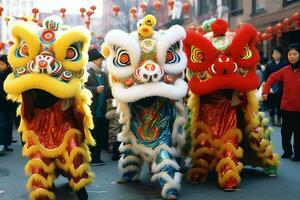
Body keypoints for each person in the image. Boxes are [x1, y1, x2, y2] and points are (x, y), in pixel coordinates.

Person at [262, 43, 300, 161]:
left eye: (295, 54)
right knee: (285, 132)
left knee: (298, 133)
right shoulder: (285, 70)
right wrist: (265, 91)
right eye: (290, 54)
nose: (292, 56)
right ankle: (287, 152)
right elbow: (272, 77)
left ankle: (298, 154)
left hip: (299, 109)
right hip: (286, 107)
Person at [86, 48, 110, 165]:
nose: (101, 62)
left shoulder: (104, 75)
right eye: (100, 60)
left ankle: (98, 157)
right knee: (92, 135)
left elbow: (108, 90)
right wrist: (95, 89)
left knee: (100, 135)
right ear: (94, 60)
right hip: (92, 110)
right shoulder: (87, 73)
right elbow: (82, 89)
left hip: (102, 110)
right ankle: (92, 158)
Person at [263, 47, 287, 126]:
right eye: (274, 53)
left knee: (280, 104)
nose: (276, 55)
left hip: (281, 87)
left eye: (278, 53)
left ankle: (280, 120)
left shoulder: (285, 63)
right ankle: (272, 119)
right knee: (272, 104)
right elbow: (266, 77)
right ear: (272, 55)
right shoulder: (269, 64)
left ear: (281, 54)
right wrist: (267, 87)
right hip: (272, 87)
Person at [0, 54, 17, 156]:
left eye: (2, 64)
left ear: (7, 65)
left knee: (8, 123)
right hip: (1, 104)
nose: (0, 66)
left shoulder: (10, 75)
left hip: (9, 103)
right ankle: (2, 144)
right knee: (2, 124)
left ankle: (7, 143)